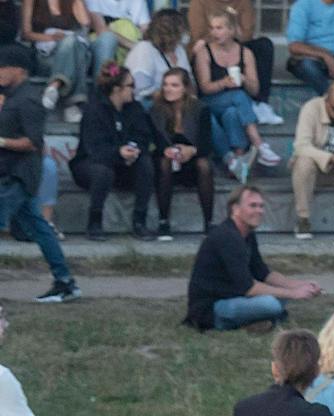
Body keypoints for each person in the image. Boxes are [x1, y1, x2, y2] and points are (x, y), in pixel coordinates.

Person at [185, 180, 319, 332]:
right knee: (271, 304)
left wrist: (300, 285)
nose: (259, 211)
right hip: (212, 307)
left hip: (236, 297)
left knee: (278, 297)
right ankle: (245, 322)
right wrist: (294, 294)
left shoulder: (247, 233)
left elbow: (263, 273)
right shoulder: (227, 237)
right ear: (235, 209)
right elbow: (249, 288)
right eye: (253, 206)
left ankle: (255, 321)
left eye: (261, 206)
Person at [0, 41, 76, 302]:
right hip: (13, 174)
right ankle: (65, 281)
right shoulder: (14, 97)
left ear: (18, 70)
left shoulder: (30, 99)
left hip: (17, 176)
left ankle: (65, 282)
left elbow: (33, 142)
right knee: (41, 229)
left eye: (3, 67)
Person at [193, 8, 277, 181]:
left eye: (219, 28)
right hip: (211, 101)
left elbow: (255, 90)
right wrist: (224, 83)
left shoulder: (245, 53)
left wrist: (245, 79)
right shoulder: (205, 52)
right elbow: (204, 88)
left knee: (232, 113)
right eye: (212, 28)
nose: (214, 32)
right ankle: (259, 145)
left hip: (235, 106)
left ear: (232, 30)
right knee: (237, 97)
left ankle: (236, 161)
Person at [71, 57, 151, 238]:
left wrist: (134, 149)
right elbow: (94, 149)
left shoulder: (135, 108)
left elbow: (143, 135)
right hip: (90, 164)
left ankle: (140, 220)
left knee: (145, 164)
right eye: (130, 85)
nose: (134, 89)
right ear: (117, 89)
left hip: (124, 163)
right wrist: (118, 153)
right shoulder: (94, 111)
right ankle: (94, 222)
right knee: (102, 172)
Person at [287, 78, 334, 241]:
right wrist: (329, 158)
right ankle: (303, 219)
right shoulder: (311, 108)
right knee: (303, 162)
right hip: (317, 169)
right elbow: (301, 145)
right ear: (326, 101)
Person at [148, 65, 214, 241]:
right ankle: (163, 221)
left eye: (174, 85)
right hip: (165, 161)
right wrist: (166, 150)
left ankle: (209, 222)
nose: (168, 89)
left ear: (185, 88)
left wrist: (192, 150)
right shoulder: (155, 110)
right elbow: (154, 140)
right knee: (164, 162)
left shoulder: (200, 109)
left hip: (190, 160)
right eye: (166, 85)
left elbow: (207, 144)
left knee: (204, 165)